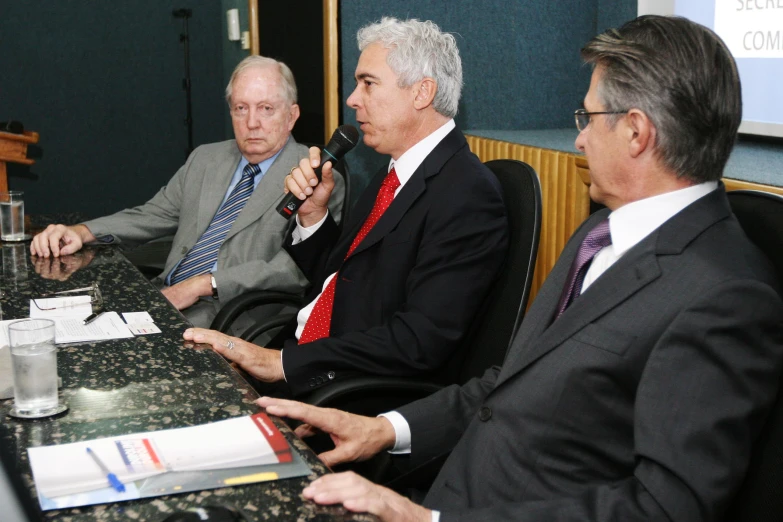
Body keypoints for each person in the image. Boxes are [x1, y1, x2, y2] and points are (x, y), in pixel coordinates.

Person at [255, 15, 783, 522]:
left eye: (588, 118)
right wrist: (383, 429)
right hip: (453, 481)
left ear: (637, 133)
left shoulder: (726, 294)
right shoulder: (595, 234)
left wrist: (431, 519)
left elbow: (664, 508)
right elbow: (509, 385)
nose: (578, 139)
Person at [183, 18, 509, 397]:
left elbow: (418, 342)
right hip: (303, 355)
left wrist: (281, 364)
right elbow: (342, 278)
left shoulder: (467, 194)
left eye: (368, 83)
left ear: (422, 93)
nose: (353, 99)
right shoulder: (393, 173)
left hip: (344, 388)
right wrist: (313, 216)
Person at [29, 56, 344, 331]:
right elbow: (153, 215)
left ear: (291, 116)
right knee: (54, 327)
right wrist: (82, 232)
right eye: (241, 108)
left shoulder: (315, 176)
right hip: (164, 295)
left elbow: (295, 268)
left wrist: (206, 283)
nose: (252, 123)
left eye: (266, 109)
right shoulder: (206, 158)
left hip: (233, 316)